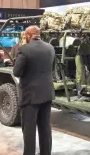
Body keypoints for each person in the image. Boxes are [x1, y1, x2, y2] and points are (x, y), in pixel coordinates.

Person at [13, 26, 55, 155]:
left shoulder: (24, 50)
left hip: (30, 96)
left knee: (29, 130)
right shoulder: (50, 48)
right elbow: (52, 68)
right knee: (45, 128)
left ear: (28, 35)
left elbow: (17, 72)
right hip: (47, 93)